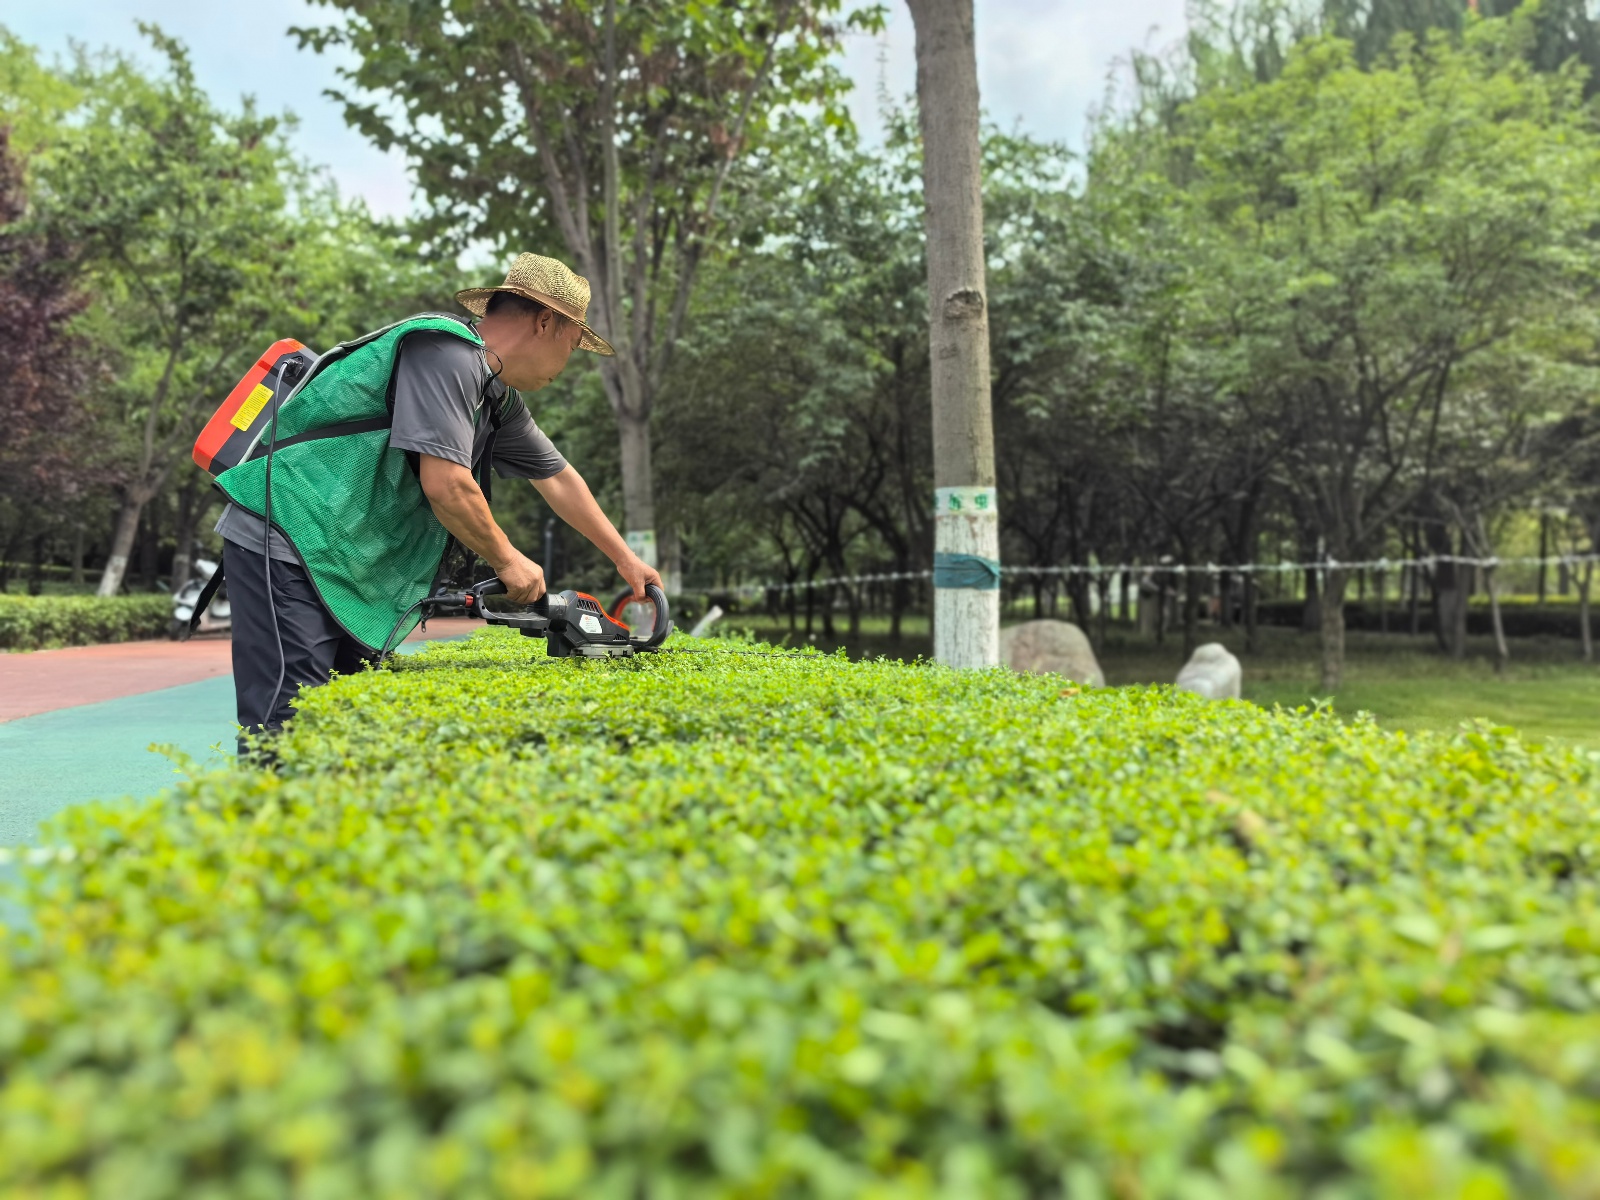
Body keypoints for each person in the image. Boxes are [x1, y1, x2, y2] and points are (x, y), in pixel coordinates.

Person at [211, 252, 662, 756]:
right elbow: (447, 484)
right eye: (575, 343)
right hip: (288, 536)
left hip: (337, 557)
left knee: (340, 721)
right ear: (545, 322)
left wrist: (624, 558)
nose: (570, 359)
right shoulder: (445, 354)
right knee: (287, 725)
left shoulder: (493, 394)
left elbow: (556, 477)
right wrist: (509, 561)